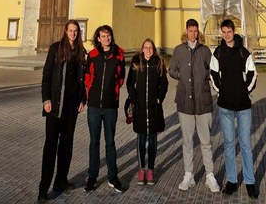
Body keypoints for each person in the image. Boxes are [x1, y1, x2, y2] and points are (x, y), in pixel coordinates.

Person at [169, 18, 220, 193]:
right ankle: (188, 174)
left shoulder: (205, 51)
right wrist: (180, 76)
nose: (193, 33)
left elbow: (213, 71)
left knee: (206, 141)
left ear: (198, 32)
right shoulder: (178, 50)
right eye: (190, 30)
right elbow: (171, 69)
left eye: (195, 30)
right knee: (187, 141)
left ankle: (210, 175)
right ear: (186, 31)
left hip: (203, 101)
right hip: (185, 101)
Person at [38, 19, 87, 202]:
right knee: (50, 146)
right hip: (55, 106)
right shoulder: (56, 49)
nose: (73, 34)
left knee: (67, 145)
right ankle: (43, 189)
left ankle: (61, 181)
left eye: (76, 31)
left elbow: (83, 80)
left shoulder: (81, 52)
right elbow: (47, 75)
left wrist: (83, 99)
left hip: (71, 108)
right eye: (70, 30)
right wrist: (46, 99)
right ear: (65, 31)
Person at [210, 19, 258, 199]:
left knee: (245, 144)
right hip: (225, 106)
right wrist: (221, 91)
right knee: (229, 144)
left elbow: (253, 75)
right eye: (223, 32)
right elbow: (213, 74)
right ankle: (231, 181)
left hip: (243, 106)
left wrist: (244, 92)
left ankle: (250, 182)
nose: (226, 35)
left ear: (234, 31)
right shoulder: (218, 53)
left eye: (228, 31)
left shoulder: (243, 52)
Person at [84, 25, 126, 193]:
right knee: (94, 142)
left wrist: (112, 91)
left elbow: (121, 78)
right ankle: (92, 176)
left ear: (111, 37)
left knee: (110, 143)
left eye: (108, 36)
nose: (106, 39)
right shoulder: (93, 55)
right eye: (103, 36)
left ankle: (113, 177)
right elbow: (87, 76)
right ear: (98, 38)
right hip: (94, 106)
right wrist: (92, 93)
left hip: (110, 106)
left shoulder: (119, 54)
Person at [126, 38, 168, 186]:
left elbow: (164, 84)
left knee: (153, 140)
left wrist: (159, 98)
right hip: (140, 108)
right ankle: (141, 169)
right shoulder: (137, 63)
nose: (148, 50)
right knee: (141, 139)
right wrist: (134, 99)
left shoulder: (159, 63)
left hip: (154, 108)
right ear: (142, 49)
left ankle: (150, 169)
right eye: (146, 47)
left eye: (150, 48)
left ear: (153, 49)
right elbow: (130, 83)